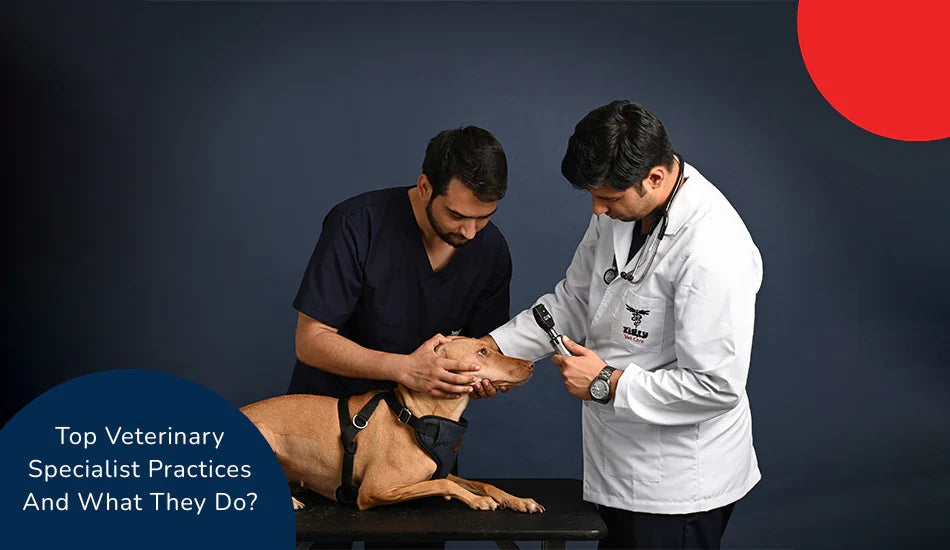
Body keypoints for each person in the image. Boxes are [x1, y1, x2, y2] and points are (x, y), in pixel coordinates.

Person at [482, 101, 762, 549]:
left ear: (655, 177)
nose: (597, 210)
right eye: (594, 196)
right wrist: (488, 352)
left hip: (676, 484)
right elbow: (575, 300)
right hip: (618, 466)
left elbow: (716, 386)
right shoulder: (622, 210)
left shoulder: (713, 250)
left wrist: (607, 382)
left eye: (608, 198)